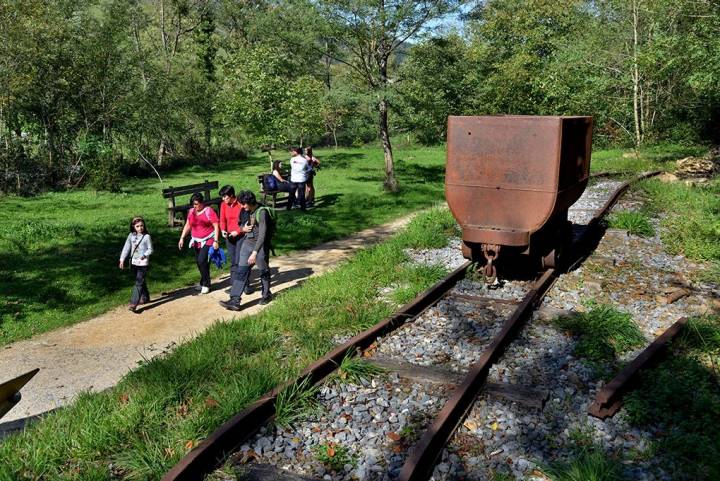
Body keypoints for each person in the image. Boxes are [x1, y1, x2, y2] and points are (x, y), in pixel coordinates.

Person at [220, 190, 274, 310]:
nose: (242, 207)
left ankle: (266, 295)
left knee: (263, 270)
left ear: (250, 202)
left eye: (244, 204)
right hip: (247, 243)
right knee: (241, 271)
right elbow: (240, 225)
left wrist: (254, 253)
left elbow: (262, 235)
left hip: (260, 247)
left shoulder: (262, 213)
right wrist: (242, 228)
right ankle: (234, 300)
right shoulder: (245, 210)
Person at [178, 193, 220, 294]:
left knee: (202, 260)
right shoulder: (191, 212)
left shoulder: (209, 211)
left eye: (197, 204)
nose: (195, 206)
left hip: (208, 239)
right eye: (193, 204)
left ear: (202, 203)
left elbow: (216, 226)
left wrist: (216, 240)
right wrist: (182, 238)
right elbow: (188, 225)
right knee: (199, 262)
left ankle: (206, 284)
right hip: (196, 240)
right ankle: (203, 281)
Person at [219, 185, 254, 295]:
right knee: (233, 262)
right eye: (222, 197)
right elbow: (222, 219)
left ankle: (246, 285)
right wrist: (223, 230)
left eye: (225, 196)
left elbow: (246, 222)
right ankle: (234, 286)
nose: (223, 199)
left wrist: (238, 231)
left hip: (241, 236)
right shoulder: (223, 205)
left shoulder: (240, 204)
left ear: (231, 195)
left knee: (241, 261)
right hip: (229, 237)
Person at [119, 216, 153, 312]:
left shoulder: (146, 237)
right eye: (137, 226)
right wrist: (122, 259)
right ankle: (145, 297)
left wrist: (145, 255)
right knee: (140, 280)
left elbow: (150, 249)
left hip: (143, 263)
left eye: (142, 226)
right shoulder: (131, 236)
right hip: (133, 262)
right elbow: (126, 247)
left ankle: (133, 303)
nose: (140, 228)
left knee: (138, 282)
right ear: (133, 227)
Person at [288, 146, 309, 210]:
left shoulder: (292, 159)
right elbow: (306, 168)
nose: (291, 152)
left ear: (296, 152)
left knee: (291, 194)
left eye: (293, 151)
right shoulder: (305, 160)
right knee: (302, 194)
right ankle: (303, 208)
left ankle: (288, 207)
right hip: (302, 179)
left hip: (294, 179)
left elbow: (293, 167)